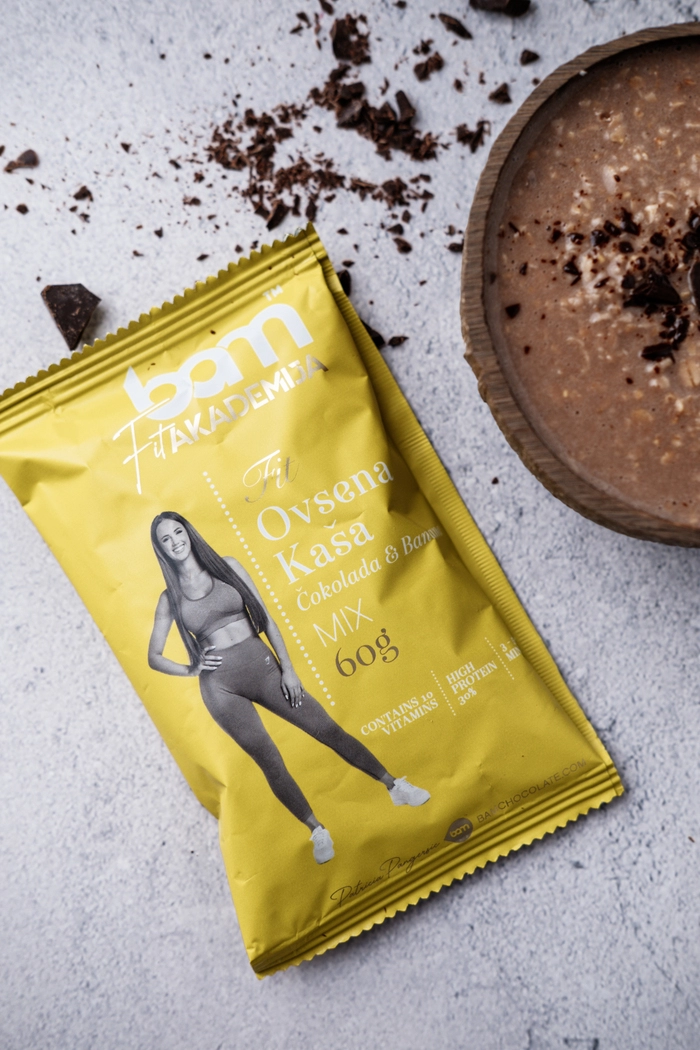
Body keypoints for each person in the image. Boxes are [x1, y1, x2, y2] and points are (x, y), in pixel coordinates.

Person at [148, 511, 430, 864]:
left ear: (188, 532)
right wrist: (192, 668)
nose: (175, 542)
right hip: (221, 688)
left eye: (178, 532)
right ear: (161, 549)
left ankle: (394, 785)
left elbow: (265, 618)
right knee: (269, 759)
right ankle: (317, 830)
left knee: (326, 729)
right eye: (166, 539)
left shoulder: (227, 566)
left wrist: (289, 670)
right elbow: (154, 656)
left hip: (265, 668)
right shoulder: (169, 598)